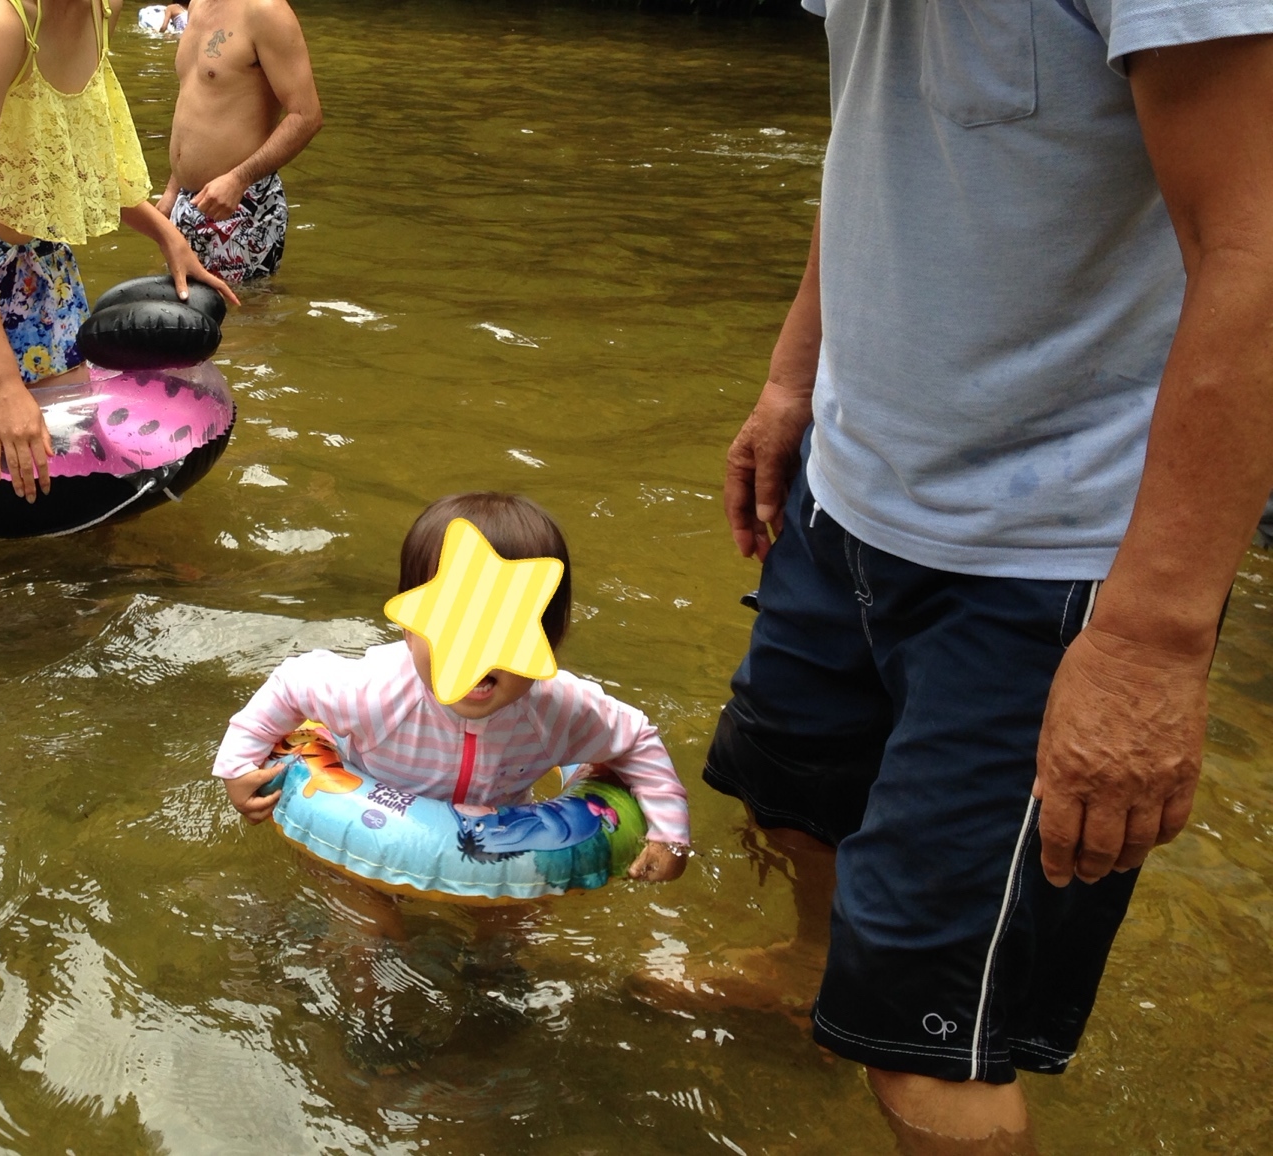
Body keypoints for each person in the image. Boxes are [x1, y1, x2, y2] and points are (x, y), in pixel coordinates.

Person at [708, 2, 1273, 1150]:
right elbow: (870, 138)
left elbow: (1257, 253)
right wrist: (790, 381)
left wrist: (1150, 642)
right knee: (797, 796)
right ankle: (805, 972)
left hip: (1058, 558)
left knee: (926, 1037)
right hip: (852, 479)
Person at [217, 492, 692, 887]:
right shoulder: (374, 691)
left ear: (552, 638)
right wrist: (238, 763)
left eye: (503, 630)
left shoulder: (556, 709)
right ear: (407, 627)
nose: (476, 651)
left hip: (496, 851)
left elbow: (636, 738)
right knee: (366, 934)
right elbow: (292, 683)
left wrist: (669, 835)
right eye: (452, 625)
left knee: (509, 940)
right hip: (366, 830)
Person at [0, 0, 234, 503]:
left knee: (74, 457)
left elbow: (72, 155)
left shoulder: (101, 10)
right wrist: (1, 383)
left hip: (40, 265)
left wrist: (167, 235)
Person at [158, 0, 321, 285]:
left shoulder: (266, 11)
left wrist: (238, 179)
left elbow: (306, 116)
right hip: (188, 201)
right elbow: (198, 106)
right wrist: (173, 190)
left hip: (241, 202)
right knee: (184, 319)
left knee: (243, 321)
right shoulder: (198, 4)